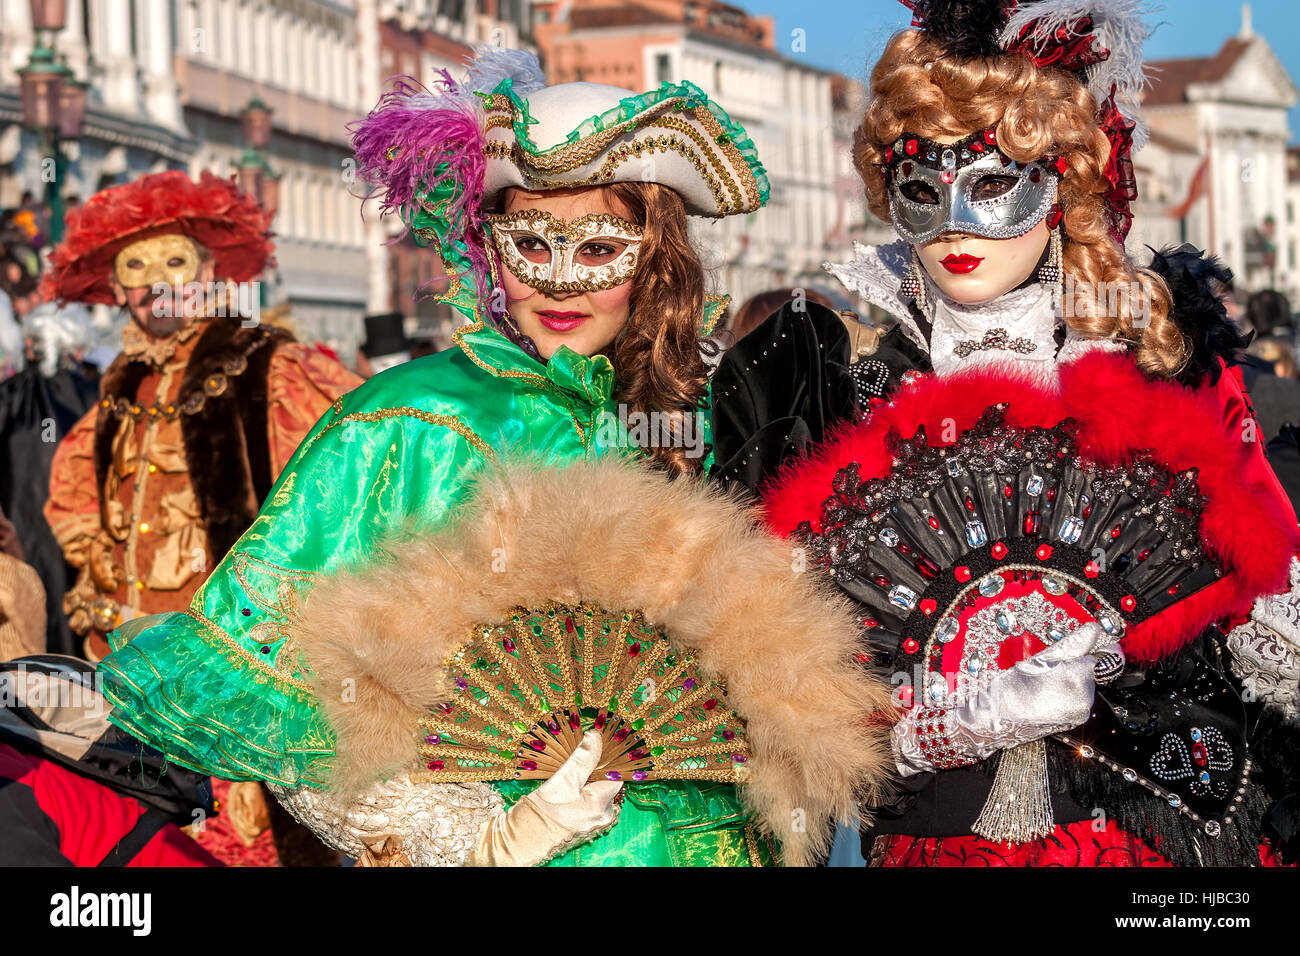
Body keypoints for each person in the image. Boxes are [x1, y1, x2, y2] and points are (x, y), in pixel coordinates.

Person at [94, 50, 892, 867]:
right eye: (529, 246)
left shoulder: (696, 419)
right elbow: (303, 699)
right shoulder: (411, 421)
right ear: (490, 248)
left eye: (597, 251)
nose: (557, 283)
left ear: (654, 256)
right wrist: (494, 841)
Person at [721, 0, 1300, 866]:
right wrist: (952, 719)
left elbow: (1270, 620)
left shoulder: (1163, 371)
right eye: (923, 186)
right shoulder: (843, 399)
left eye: (991, 181)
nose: (956, 221)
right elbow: (786, 712)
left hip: (1141, 843)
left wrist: (1118, 659)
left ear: (1058, 185)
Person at [39, 170, 361, 866]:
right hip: (128, 674)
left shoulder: (268, 365)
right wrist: (97, 560)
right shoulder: (123, 382)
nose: (155, 280)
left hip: (232, 670)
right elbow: (72, 488)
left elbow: (353, 477)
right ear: (117, 287)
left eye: (174, 260)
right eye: (135, 265)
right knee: (143, 846)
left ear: (211, 272)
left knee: (244, 845)